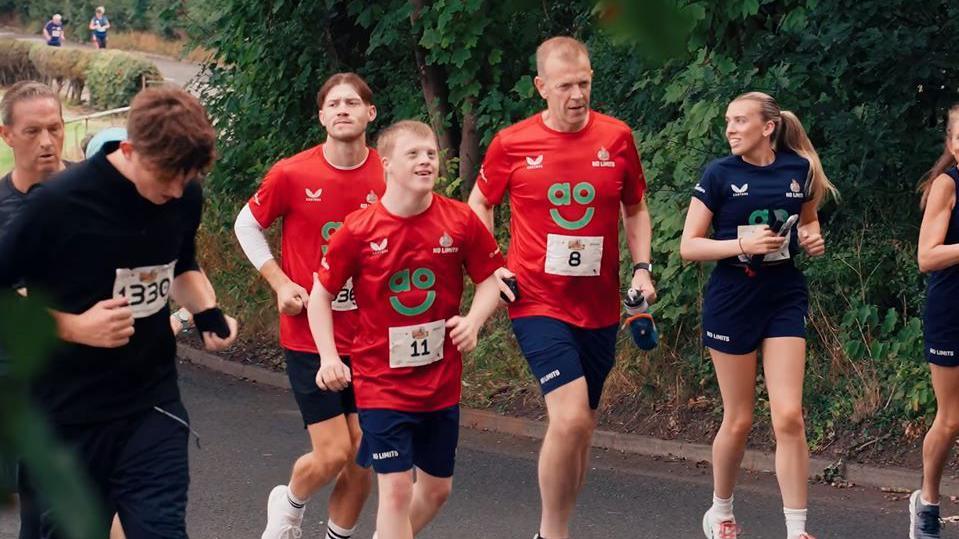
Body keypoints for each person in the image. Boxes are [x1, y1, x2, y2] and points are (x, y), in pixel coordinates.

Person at [0, 85, 239, 539]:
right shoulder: (59, 204)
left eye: (184, 177)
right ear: (129, 150)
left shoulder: (184, 192)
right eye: (165, 175)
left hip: (150, 403)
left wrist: (208, 312)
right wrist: (74, 327)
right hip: (67, 412)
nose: (174, 190)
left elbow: (180, 263)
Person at [467, 36, 654, 539]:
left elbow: (635, 208)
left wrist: (642, 268)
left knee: (583, 429)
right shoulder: (512, 143)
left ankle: (561, 527)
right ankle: (550, 534)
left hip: (599, 304)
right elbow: (478, 205)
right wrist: (491, 267)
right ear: (541, 87)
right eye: (567, 85)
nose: (578, 94)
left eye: (585, 83)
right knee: (569, 419)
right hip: (535, 299)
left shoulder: (616, 137)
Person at [309, 120, 508, 539]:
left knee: (436, 491)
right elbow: (321, 294)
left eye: (431, 153)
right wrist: (328, 356)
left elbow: (492, 277)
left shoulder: (460, 221)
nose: (425, 161)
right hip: (381, 382)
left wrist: (473, 321)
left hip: (440, 382)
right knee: (397, 491)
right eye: (413, 154)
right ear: (387, 165)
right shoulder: (359, 230)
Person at [679, 91, 836, 539]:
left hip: (783, 295)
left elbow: (807, 221)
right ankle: (721, 510)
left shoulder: (798, 169)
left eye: (739, 121)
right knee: (740, 418)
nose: (729, 129)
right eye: (727, 121)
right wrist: (741, 245)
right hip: (732, 299)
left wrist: (812, 239)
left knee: (789, 416)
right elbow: (689, 246)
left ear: (767, 128)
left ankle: (797, 529)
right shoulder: (719, 174)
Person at [234, 73, 384, 539]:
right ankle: (291, 502)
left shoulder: (389, 171)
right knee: (335, 452)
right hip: (309, 336)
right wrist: (279, 283)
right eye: (333, 104)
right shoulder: (292, 173)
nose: (343, 109)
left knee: (366, 452)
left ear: (370, 113)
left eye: (352, 103)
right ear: (321, 116)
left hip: (372, 337)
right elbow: (245, 224)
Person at [913, 103, 959, 539]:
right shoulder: (948, 184)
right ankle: (927, 501)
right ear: (952, 144)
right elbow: (927, 256)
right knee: (951, 419)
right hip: (952, 312)